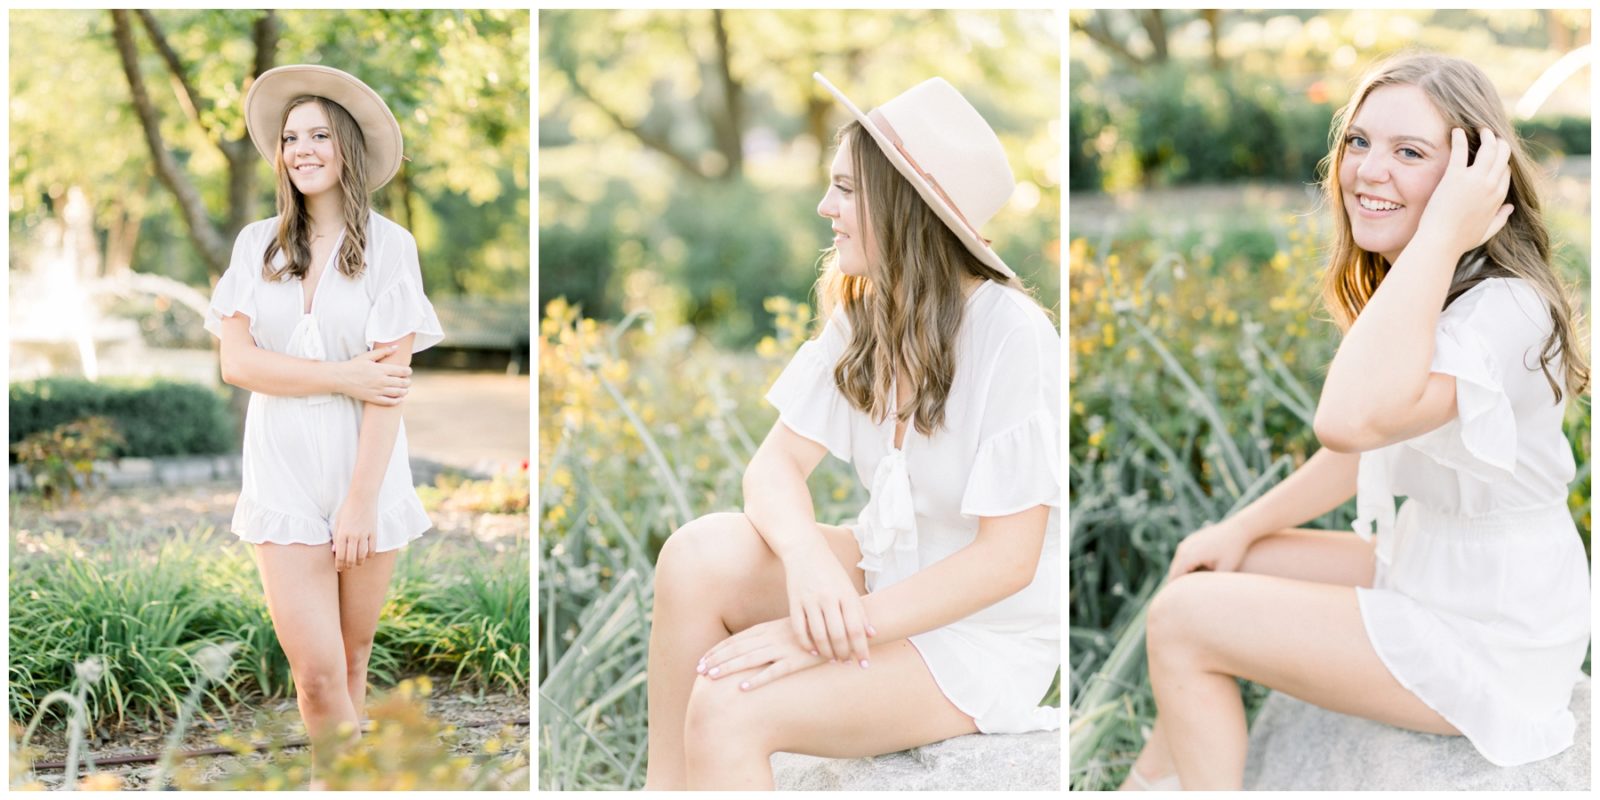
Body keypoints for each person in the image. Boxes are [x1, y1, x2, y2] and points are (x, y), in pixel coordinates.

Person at [1123, 53, 1590, 790]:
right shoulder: (1428, 282)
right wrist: (1238, 529)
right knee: (1219, 564)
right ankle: (1148, 785)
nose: (1370, 171)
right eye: (1360, 142)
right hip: (1435, 565)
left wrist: (1438, 236)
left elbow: (1344, 423)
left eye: (1410, 152)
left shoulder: (1503, 307)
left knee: (1183, 619)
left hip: (1498, 623)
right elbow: (1358, 454)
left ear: (1474, 177)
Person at [640, 73, 1061, 791]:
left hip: (980, 637)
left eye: (845, 189)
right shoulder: (867, 317)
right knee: (696, 554)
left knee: (728, 705)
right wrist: (806, 560)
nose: (823, 206)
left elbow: (1007, 563)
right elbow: (770, 472)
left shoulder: (1012, 334)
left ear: (903, 204)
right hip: (881, 575)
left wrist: (831, 632)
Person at [204, 64, 444, 782]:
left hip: (363, 469)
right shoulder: (258, 246)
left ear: (345, 147)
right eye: (289, 137)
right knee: (315, 672)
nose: (301, 148)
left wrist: (361, 500)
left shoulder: (391, 247)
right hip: (281, 470)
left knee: (354, 655)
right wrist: (343, 374)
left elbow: (389, 388)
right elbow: (238, 366)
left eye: (316, 134)